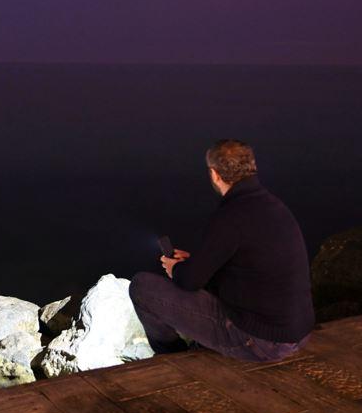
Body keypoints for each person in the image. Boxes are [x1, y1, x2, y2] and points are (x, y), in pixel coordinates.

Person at [129, 139, 315, 362]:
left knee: (142, 287)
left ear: (215, 174)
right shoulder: (274, 207)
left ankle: (173, 358)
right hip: (297, 333)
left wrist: (175, 269)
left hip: (262, 342)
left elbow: (190, 282)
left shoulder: (231, 215)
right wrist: (195, 262)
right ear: (252, 167)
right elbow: (247, 262)